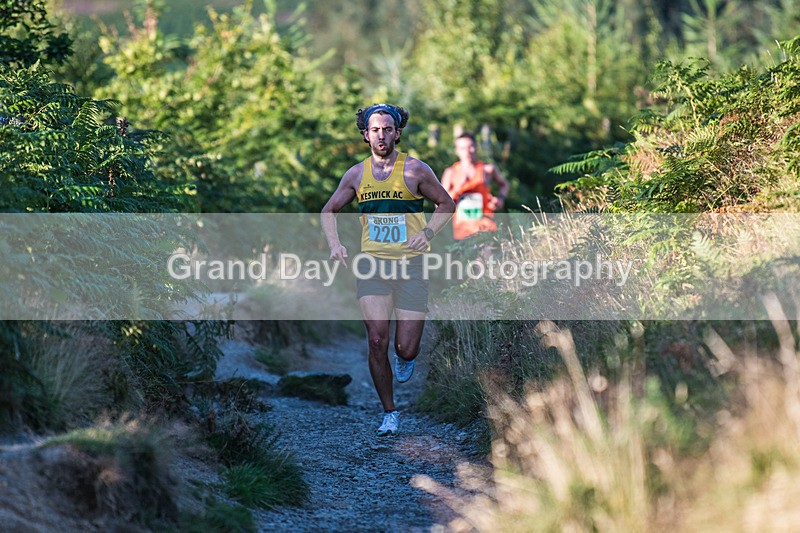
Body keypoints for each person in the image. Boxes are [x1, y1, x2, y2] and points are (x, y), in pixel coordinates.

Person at [321, 103, 455, 436]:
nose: (381, 135)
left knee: (404, 348)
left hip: (411, 265)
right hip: (372, 265)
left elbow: (446, 204)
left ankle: (406, 355)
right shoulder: (355, 174)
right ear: (365, 134)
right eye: (375, 129)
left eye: (387, 129)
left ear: (397, 132)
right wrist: (334, 244)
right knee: (377, 339)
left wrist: (427, 233)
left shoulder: (416, 170)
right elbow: (328, 211)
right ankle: (389, 412)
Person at [441, 132, 510, 240]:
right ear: (457, 150)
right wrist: (457, 188)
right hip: (462, 230)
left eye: (470, 147)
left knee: (485, 256)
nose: (467, 151)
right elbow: (440, 204)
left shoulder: (487, 169)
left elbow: (504, 184)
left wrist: (500, 199)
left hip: (485, 226)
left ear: (476, 147)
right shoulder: (451, 173)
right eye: (462, 148)